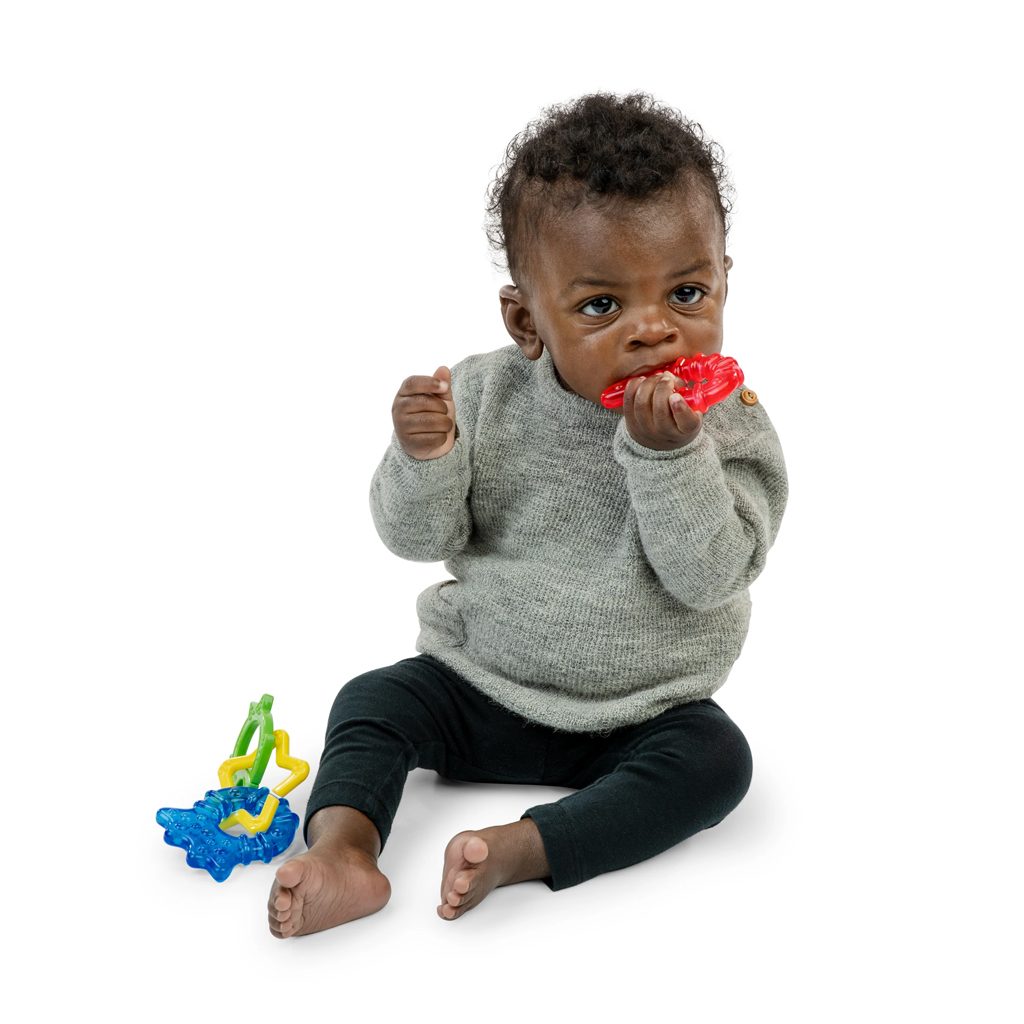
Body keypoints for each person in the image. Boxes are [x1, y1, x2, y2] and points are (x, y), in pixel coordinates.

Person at [268, 92, 788, 938]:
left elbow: (710, 578)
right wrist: (427, 457)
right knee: (372, 701)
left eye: (687, 293)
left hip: (644, 708)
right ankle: (345, 851)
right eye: (601, 306)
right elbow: (417, 539)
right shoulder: (483, 396)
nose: (654, 332)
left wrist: (670, 457)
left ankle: (525, 848)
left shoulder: (731, 426)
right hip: (478, 684)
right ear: (526, 320)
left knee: (718, 764)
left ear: (725, 280)